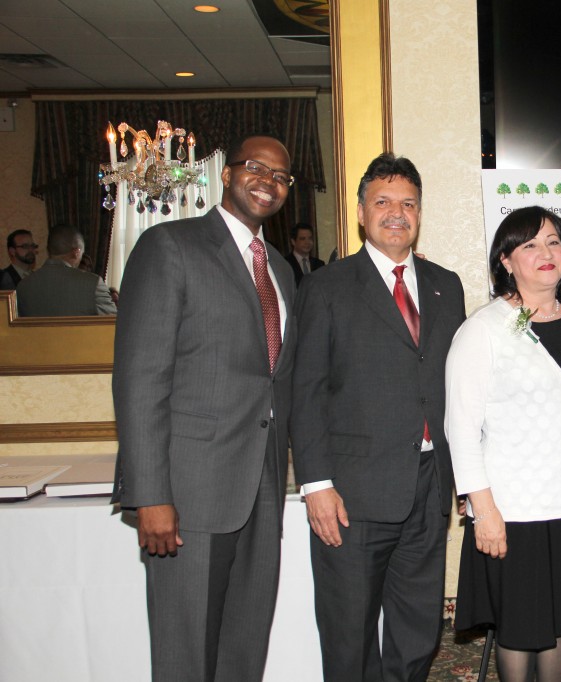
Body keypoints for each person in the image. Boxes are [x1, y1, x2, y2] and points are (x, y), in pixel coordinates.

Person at [111, 134, 297, 681]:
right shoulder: (170, 246)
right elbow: (141, 378)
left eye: (281, 176)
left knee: (244, 648)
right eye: (255, 168)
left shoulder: (282, 271)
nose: (267, 182)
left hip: (261, 492)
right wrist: (151, 495)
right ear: (226, 173)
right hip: (188, 497)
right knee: (185, 652)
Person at [290, 152, 466, 681]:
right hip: (352, 494)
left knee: (417, 629)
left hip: (430, 487)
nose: (397, 213)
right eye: (383, 202)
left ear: (419, 213)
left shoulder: (446, 285)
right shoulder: (326, 287)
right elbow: (307, 390)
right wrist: (316, 484)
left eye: (408, 203)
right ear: (361, 213)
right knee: (350, 632)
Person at [445, 206, 561, 682]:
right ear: (506, 261)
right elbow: (461, 427)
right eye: (531, 245)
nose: (546, 253)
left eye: (555, 242)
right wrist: (484, 511)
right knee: (520, 633)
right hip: (513, 514)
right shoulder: (483, 330)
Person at [15, 225, 116, 316]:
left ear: (48, 249)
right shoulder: (93, 283)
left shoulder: (23, 286)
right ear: (76, 252)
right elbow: (113, 324)